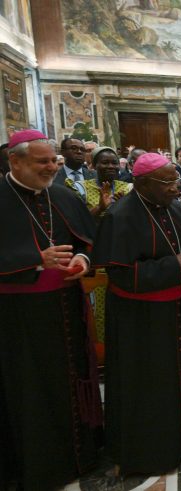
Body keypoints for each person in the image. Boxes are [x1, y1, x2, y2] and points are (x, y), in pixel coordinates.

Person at [92, 153, 181, 475]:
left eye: (176, 180)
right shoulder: (120, 216)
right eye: (167, 182)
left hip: (177, 308)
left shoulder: (176, 208)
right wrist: (176, 266)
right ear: (142, 183)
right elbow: (120, 274)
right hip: (139, 318)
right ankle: (153, 452)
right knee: (150, 384)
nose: (175, 187)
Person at [0, 130, 101, 490]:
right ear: (15, 161)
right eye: (42, 161)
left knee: (72, 380)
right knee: (31, 390)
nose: (51, 167)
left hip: (66, 307)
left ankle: (83, 455)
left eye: (53, 161)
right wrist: (34, 259)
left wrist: (82, 260)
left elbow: (85, 241)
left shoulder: (62, 195)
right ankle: (40, 466)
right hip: (18, 316)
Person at [74, 146, 133, 220]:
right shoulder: (81, 188)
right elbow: (78, 220)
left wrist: (123, 205)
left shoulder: (128, 188)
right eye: (105, 163)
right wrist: (100, 208)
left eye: (114, 163)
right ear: (94, 165)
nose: (111, 166)